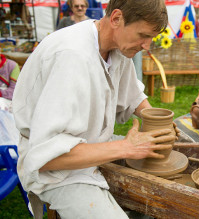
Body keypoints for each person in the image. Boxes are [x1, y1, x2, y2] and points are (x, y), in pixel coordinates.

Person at [12, 0, 176, 218]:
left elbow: (133, 97)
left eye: (151, 38)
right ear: (117, 18)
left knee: (159, 198)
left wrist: (157, 121)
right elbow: (46, 156)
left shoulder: (118, 46)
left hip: (94, 148)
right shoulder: (71, 56)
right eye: (142, 35)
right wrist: (127, 147)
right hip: (59, 172)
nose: (146, 46)